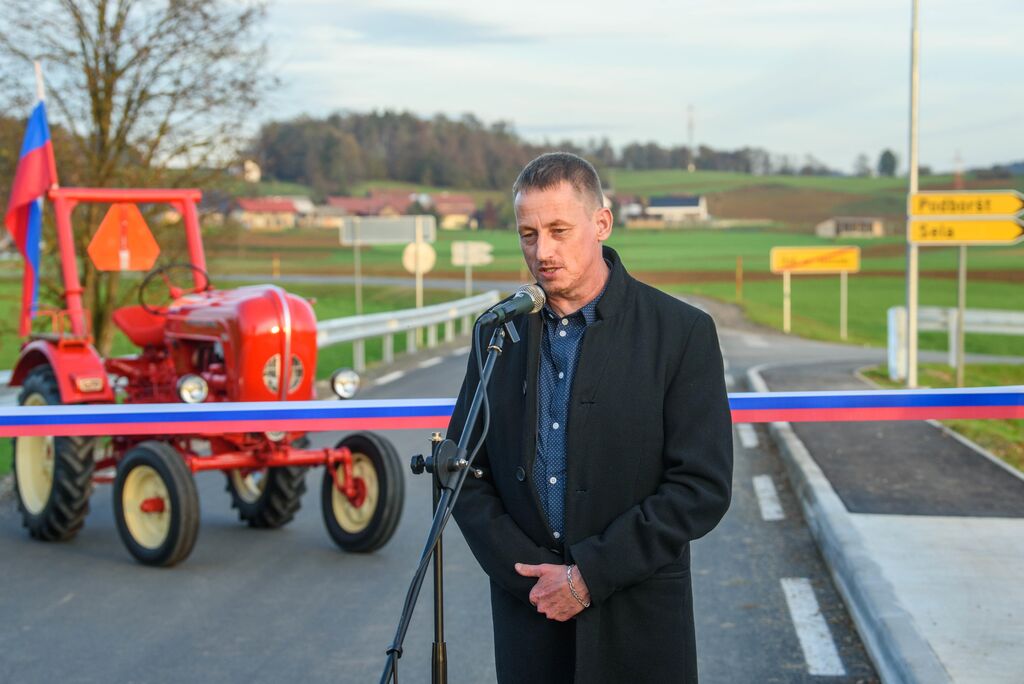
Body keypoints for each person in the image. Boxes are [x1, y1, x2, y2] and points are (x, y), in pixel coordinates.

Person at [448, 152, 733, 683]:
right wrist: (533, 580)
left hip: (640, 622)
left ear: (602, 222)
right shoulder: (497, 334)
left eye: (559, 231)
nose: (542, 252)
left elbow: (701, 487)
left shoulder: (682, 333)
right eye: (528, 234)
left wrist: (588, 577)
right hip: (529, 619)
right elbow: (463, 472)